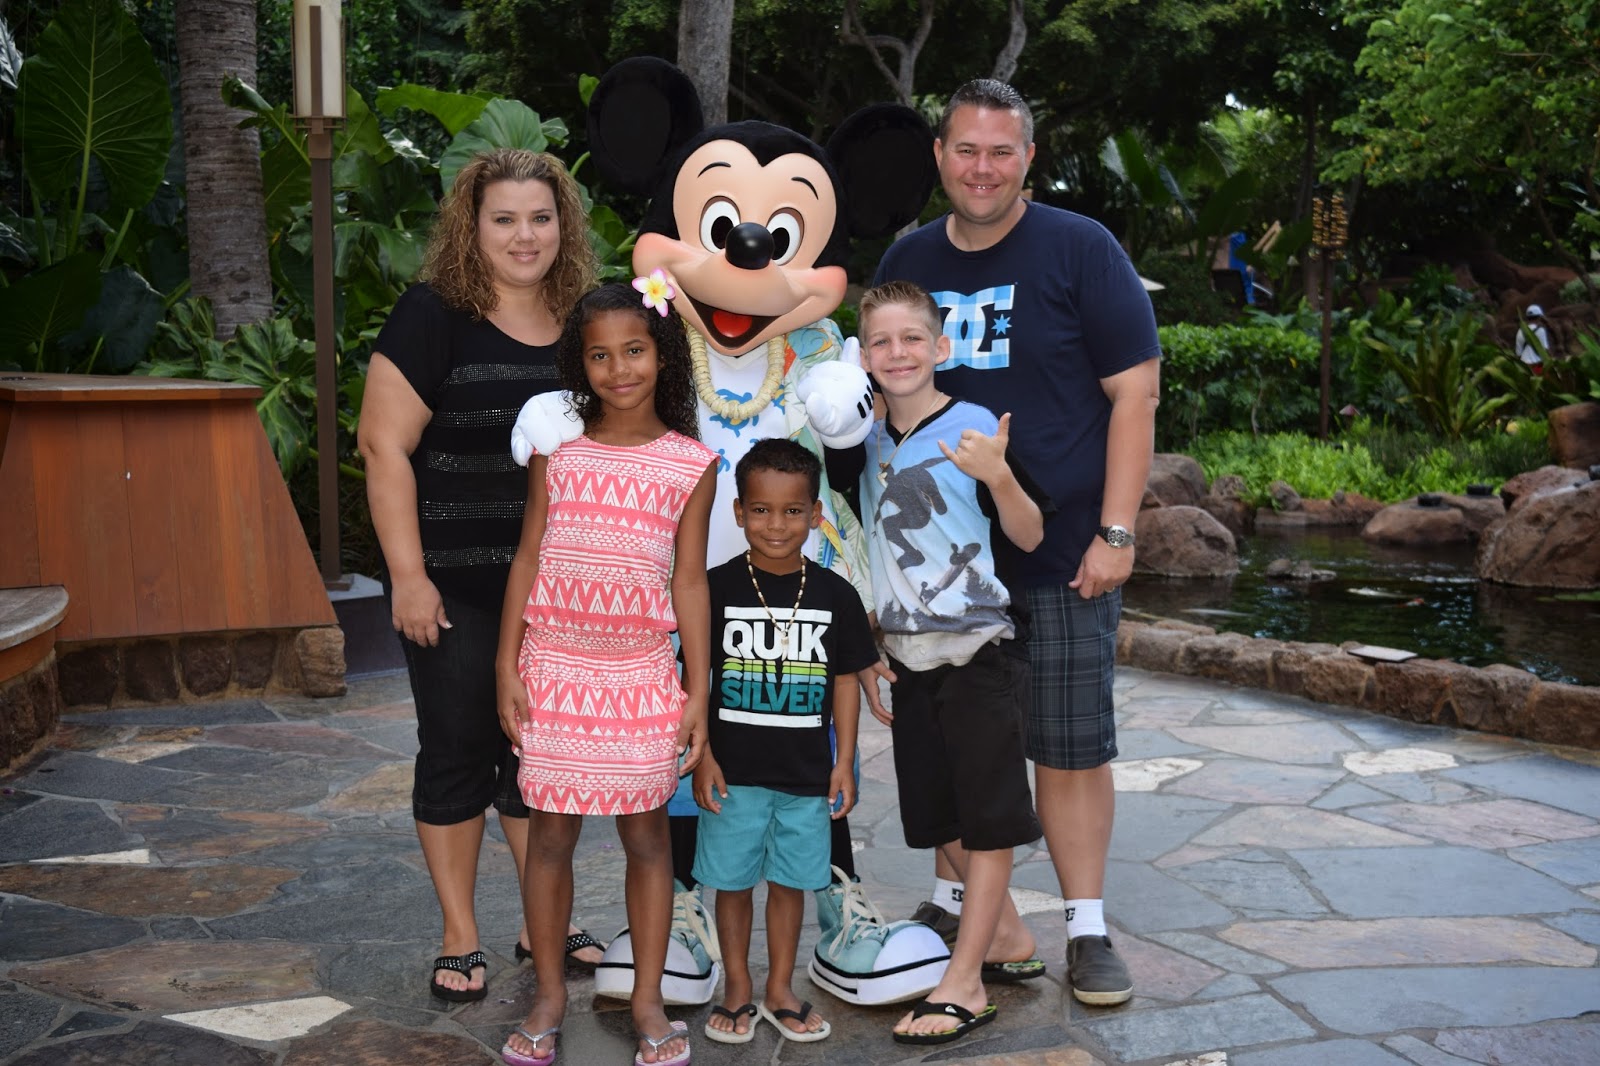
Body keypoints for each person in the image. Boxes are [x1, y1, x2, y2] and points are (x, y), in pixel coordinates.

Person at [873, 79, 1162, 1007]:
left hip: (1060, 552)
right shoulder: (911, 257)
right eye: (966, 149)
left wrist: (1117, 530)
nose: (983, 169)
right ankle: (961, 906)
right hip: (937, 572)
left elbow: (1135, 393)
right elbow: (874, 400)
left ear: (1029, 158)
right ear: (940, 156)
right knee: (950, 744)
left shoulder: (1081, 248)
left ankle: (1087, 927)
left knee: (1069, 748)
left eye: (1002, 151)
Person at [358, 148, 606, 1005]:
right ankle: (459, 933)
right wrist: (408, 576)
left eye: (540, 217)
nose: (524, 236)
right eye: (504, 219)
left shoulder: (584, 320)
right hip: (454, 591)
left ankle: (546, 920)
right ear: (472, 227)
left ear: (564, 226)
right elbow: (383, 447)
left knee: (544, 762)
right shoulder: (433, 315)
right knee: (459, 751)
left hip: (560, 596)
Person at [494, 283, 717, 1066]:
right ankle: (550, 995)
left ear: (663, 357)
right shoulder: (558, 452)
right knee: (550, 835)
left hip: (642, 675)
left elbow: (690, 581)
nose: (619, 369)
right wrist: (506, 664)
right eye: (600, 355)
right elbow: (528, 556)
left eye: (635, 351)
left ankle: (647, 999)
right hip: (554, 669)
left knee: (648, 836)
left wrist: (698, 690)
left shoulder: (691, 463)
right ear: (578, 364)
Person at [825, 281, 1048, 1044]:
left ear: (941, 347)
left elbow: (1029, 535)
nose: (898, 353)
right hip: (908, 655)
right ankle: (1008, 935)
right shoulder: (861, 440)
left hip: (978, 649)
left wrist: (1000, 476)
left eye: (912, 339)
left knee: (987, 820)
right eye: (881, 342)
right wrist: (867, 647)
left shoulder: (975, 426)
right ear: (862, 357)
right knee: (937, 816)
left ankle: (966, 981)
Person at [691, 439, 880, 1045]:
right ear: (739, 512)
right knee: (731, 885)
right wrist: (704, 756)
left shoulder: (836, 593)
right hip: (732, 774)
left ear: (816, 515)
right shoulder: (713, 589)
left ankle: (779, 989)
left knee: (791, 884)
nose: (777, 524)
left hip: (806, 776)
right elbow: (696, 680)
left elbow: (845, 681)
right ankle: (737, 988)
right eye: (762, 510)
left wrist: (843, 761)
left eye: (793, 510)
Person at [1515, 304, 1548, 375]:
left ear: (1527, 318)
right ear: (1539, 317)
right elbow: (1545, 350)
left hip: (1524, 367)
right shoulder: (1541, 330)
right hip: (1537, 366)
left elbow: (1518, 353)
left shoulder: (1520, 331)